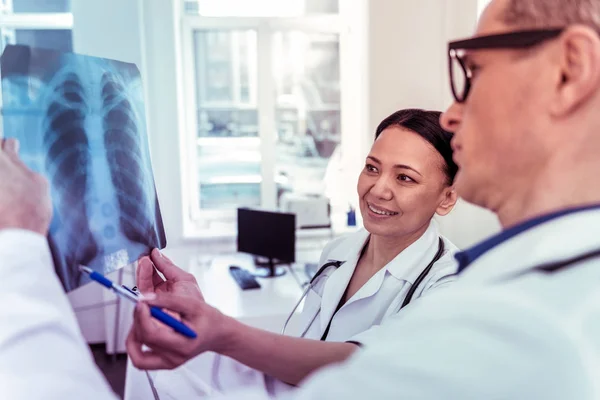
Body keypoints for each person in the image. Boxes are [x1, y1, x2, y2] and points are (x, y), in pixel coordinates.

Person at [125, 108, 460, 399]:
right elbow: (304, 355)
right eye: (372, 168)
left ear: (446, 198)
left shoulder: (448, 284)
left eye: (405, 177)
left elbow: (356, 364)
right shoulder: (338, 252)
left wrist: (222, 332)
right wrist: (196, 311)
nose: (378, 189)